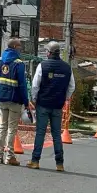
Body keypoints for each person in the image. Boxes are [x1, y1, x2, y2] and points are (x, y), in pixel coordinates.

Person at [27, 41, 75, 171]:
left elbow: (35, 85)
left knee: (40, 133)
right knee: (56, 135)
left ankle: (35, 160)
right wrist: (65, 98)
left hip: (43, 104)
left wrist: (34, 99)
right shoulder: (67, 67)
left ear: (48, 52)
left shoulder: (43, 65)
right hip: (58, 106)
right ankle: (60, 164)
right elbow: (72, 87)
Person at [0, 37, 28, 166]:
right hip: (15, 100)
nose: (21, 49)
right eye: (19, 47)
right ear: (14, 47)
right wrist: (26, 101)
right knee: (11, 129)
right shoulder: (18, 63)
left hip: (2, 98)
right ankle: (10, 156)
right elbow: (23, 85)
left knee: (2, 127)